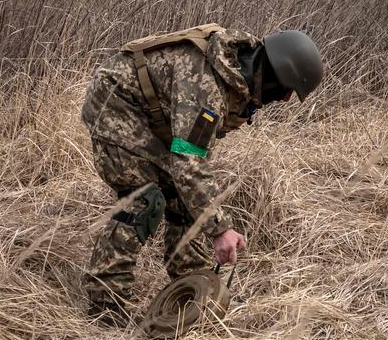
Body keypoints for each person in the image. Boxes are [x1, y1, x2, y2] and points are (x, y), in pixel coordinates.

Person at [81, 24, 323, 326]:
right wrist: (220, 229)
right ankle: (105, 303)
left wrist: (208, 216)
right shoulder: (206, 87)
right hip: (115, 103)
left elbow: (190, 163)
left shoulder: (234, 72)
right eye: (286, 91)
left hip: (152, 112)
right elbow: (188, 163)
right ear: (276, 75)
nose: (284, 101)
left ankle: (192, 286)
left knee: (185, 200)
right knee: (144, 200)